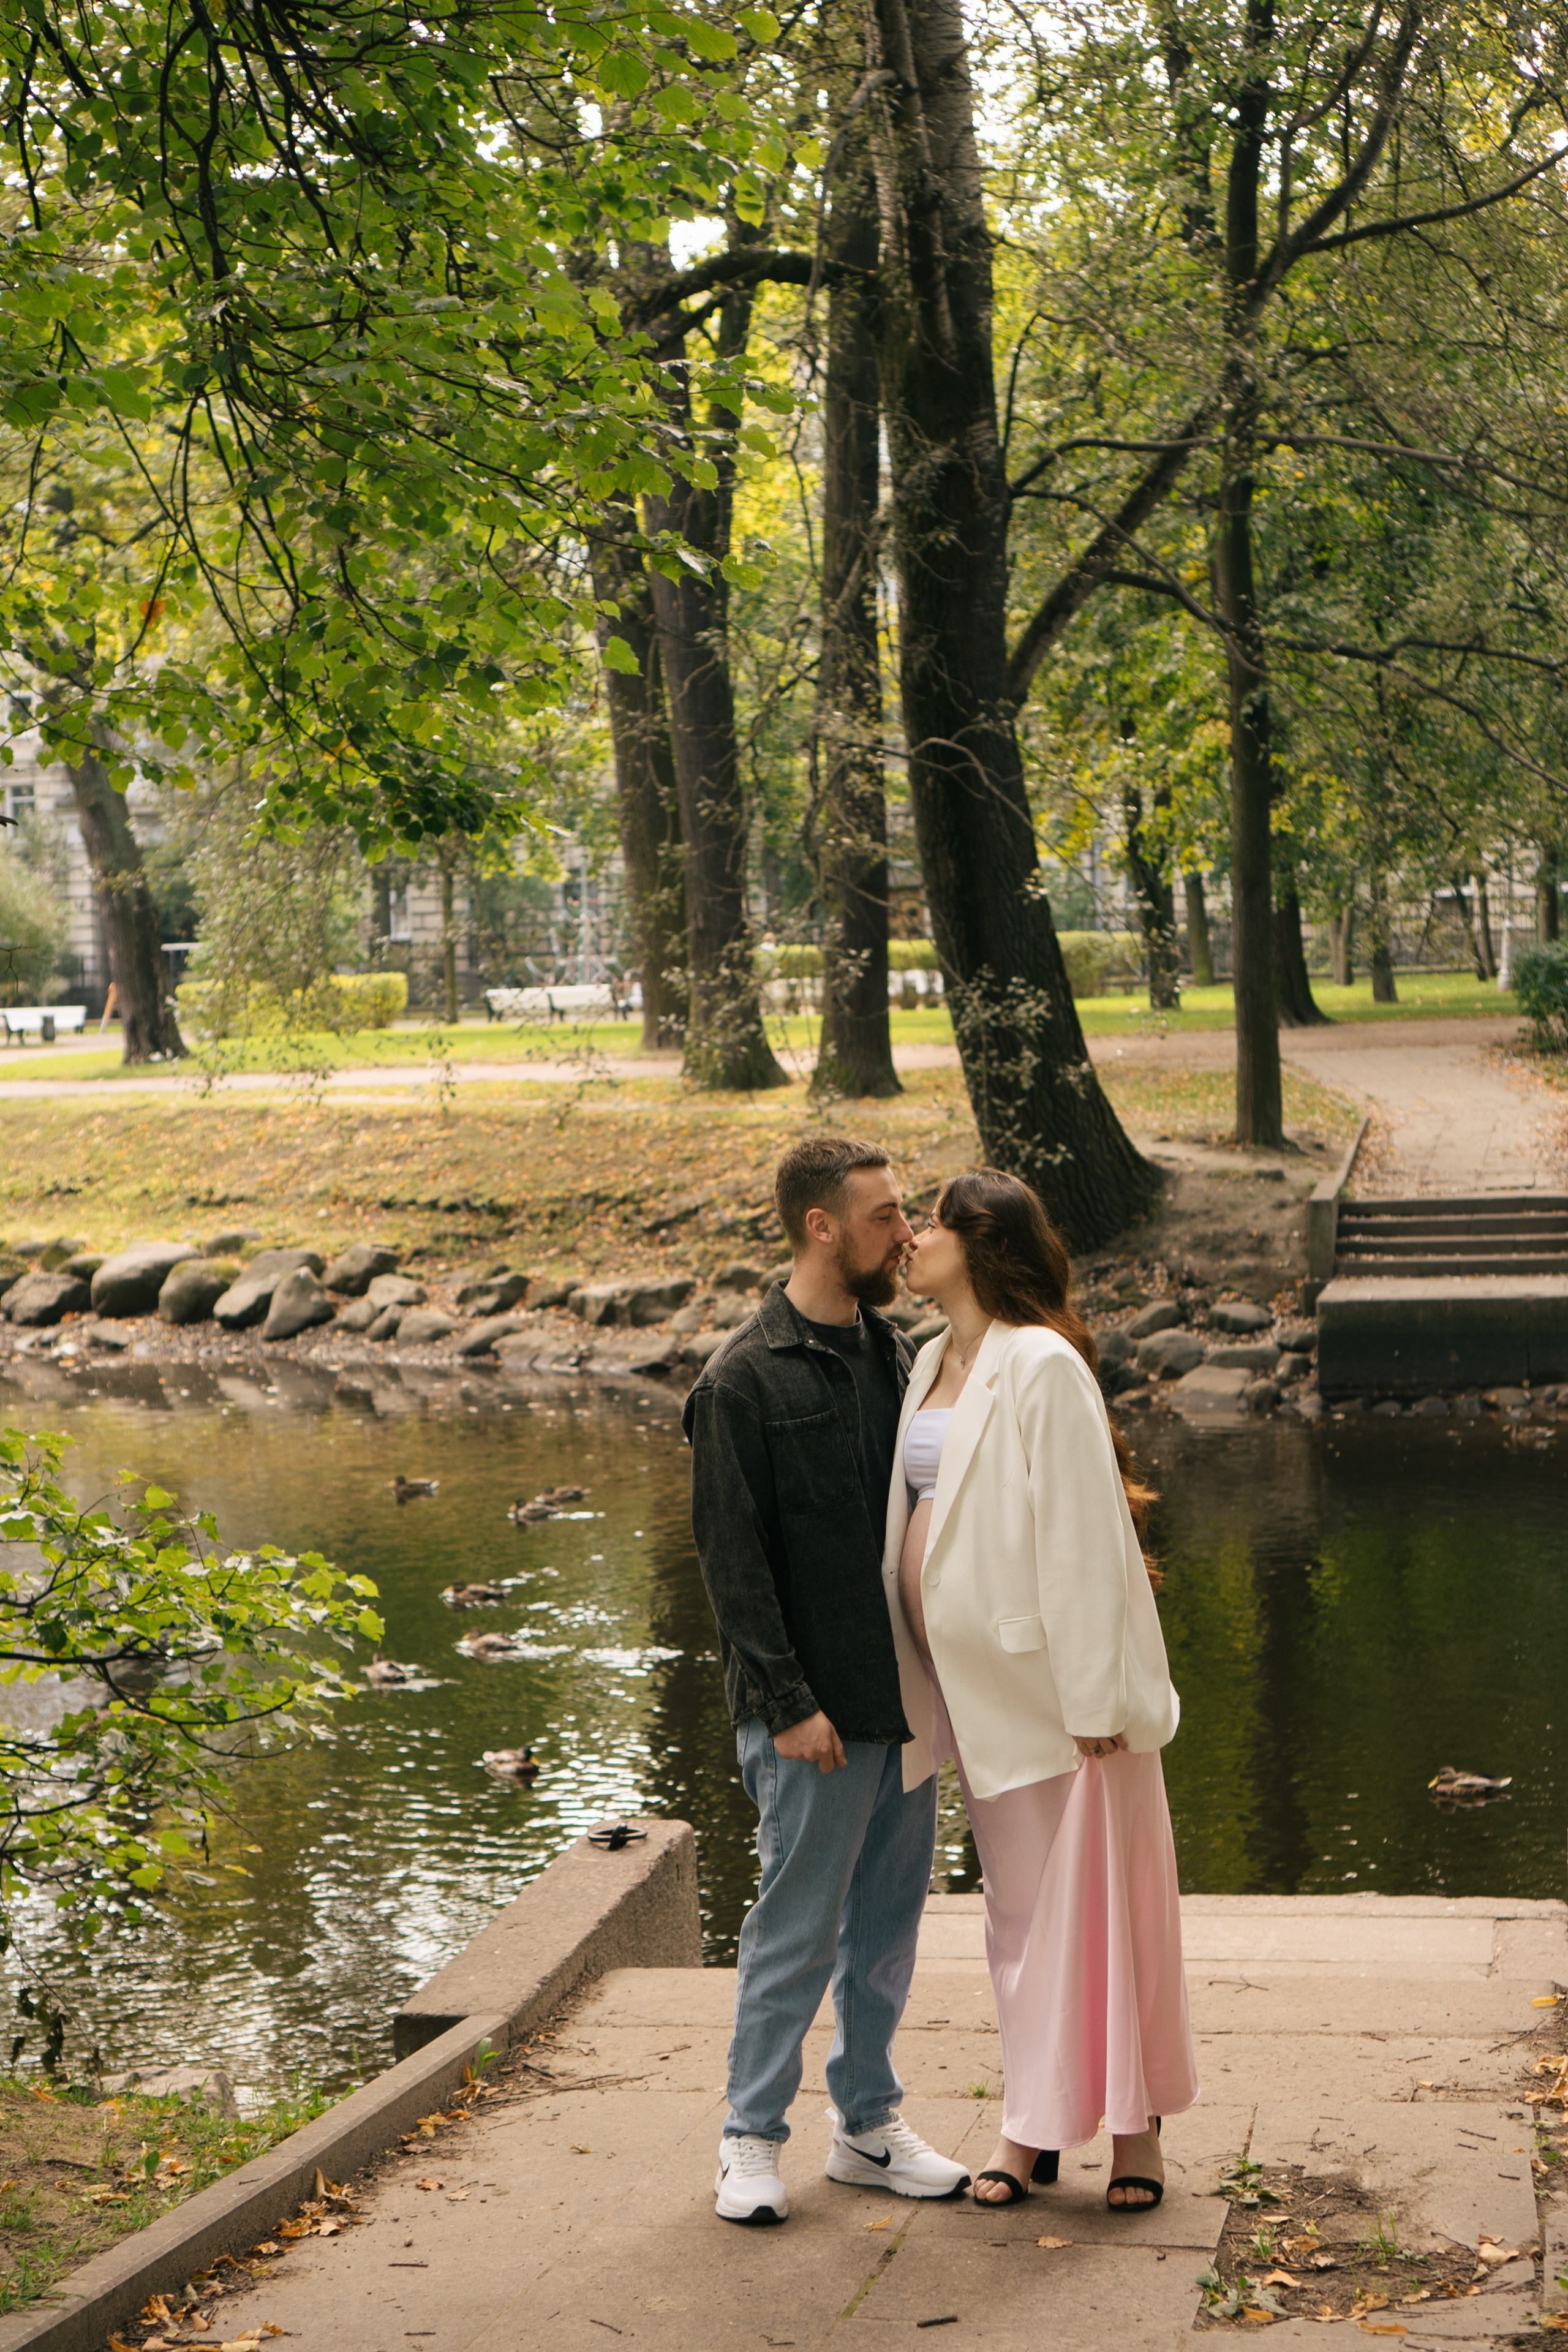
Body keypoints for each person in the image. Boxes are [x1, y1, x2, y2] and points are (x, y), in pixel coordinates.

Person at [886, 1168, 1198, 2210]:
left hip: (1062, 1702)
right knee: (1018, 1919)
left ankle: (1134, 2133)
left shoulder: (1042, 1363)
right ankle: (1034, 2120)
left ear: (979, 1243)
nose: (911, 1239)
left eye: (928, 1223)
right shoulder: (933, 1356)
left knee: (1101, 1911)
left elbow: (1083, 1536)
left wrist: (1098, 1698)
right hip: (970, 1695)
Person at [683, 1137, 971, 2225]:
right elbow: (733, 1567)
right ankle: (750, 2139)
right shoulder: (741, 1379)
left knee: (888, 1931)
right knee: (794, 1933)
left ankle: (866, 2127)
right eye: (887, 1214)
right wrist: (789, 1705)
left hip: (905, 1705)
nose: (906, 1232)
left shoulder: (899, 1354)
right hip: (812, 1717)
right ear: (822, 1227)